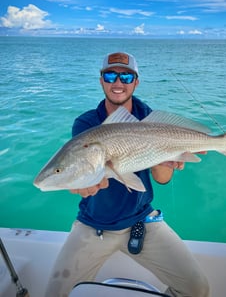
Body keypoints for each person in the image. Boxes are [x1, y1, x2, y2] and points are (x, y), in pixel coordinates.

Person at [44, 52, 210, 297]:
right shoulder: (87, 124)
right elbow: (81, 171)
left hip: (142, 221)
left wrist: (167, 161)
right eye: (110, 75)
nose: (118, 82)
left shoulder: (150, 118)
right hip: (94, 226)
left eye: (126, 76)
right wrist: (84, 185)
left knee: (197, 289)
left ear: (136, 81)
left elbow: (162, 179)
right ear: (101, 80)